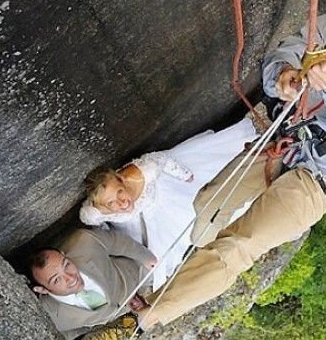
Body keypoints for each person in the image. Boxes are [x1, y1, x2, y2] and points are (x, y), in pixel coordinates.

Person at [122, 0, 326, 334]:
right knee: (207, 207)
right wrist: (283, 75)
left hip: (324, 178)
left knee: (240, 245)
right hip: (283, 143)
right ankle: (195, 262)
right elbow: (284, 52)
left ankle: (143, 319)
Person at [78, 118, 257, 292]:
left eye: (120, 192)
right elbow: (89, 218)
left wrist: (185, 175)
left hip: (167, 200)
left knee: (197, 211)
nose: (122, 202)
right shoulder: (97, 211)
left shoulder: (140, 173)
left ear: (122, 180)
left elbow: (161, 160)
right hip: (145, 229)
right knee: (157, 258)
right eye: (112, 203)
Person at [29, 228, 156, 340]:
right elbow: (61, 337)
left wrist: (145, 257)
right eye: (56, 280)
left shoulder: (85, 241)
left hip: (135, 276)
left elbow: (116, 241)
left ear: (64, 254)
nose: (71, 278)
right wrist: (87, 331)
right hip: (111, 321)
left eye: (66, 265)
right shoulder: (51, 317)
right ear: (43, 290)